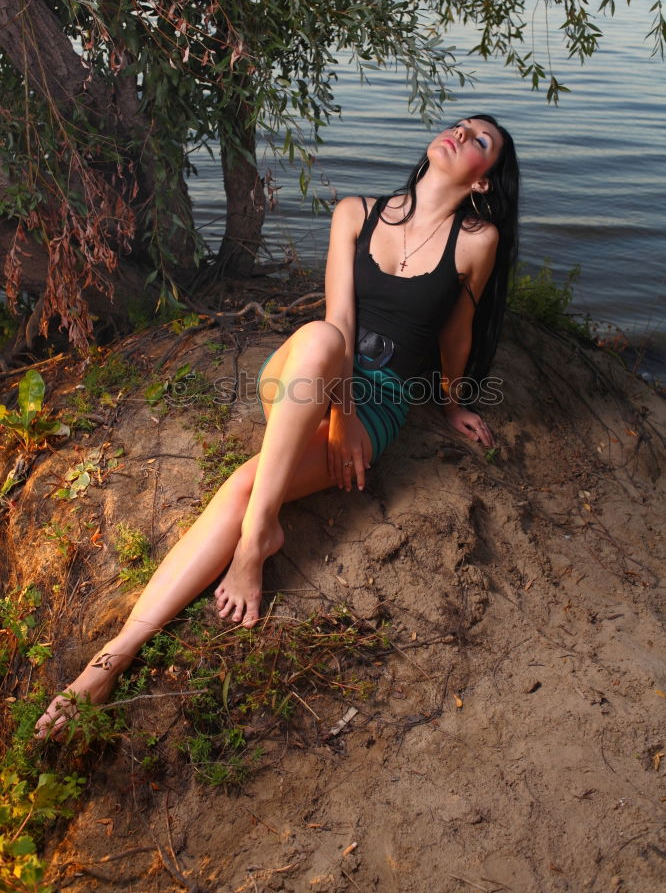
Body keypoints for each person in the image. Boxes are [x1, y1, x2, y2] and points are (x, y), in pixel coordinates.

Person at [35, 114, 519, 739]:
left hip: (383, 400)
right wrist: (338, 414)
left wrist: (452, 401)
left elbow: (456, 332)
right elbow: (339, 323)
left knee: (245, 483)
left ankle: (111, 659)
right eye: (460, 124)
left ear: (484, 180)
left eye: (480, 140)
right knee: (319, 337)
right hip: (306, 375)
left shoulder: (477, 239)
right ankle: (260, 536)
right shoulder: (356, 213)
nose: (461, 133)